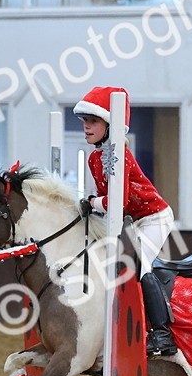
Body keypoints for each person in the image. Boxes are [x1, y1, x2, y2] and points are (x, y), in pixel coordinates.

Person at [73, 86, 178, 357]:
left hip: (155, 217)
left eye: (93, 121)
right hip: (134, 222)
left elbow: (114, 202)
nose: (86, 127)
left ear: (110, 125)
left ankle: (163, 335)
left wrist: (92, 202)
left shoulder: (117, 156)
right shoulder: (97, 157)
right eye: (85, 121)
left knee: (140, 267)